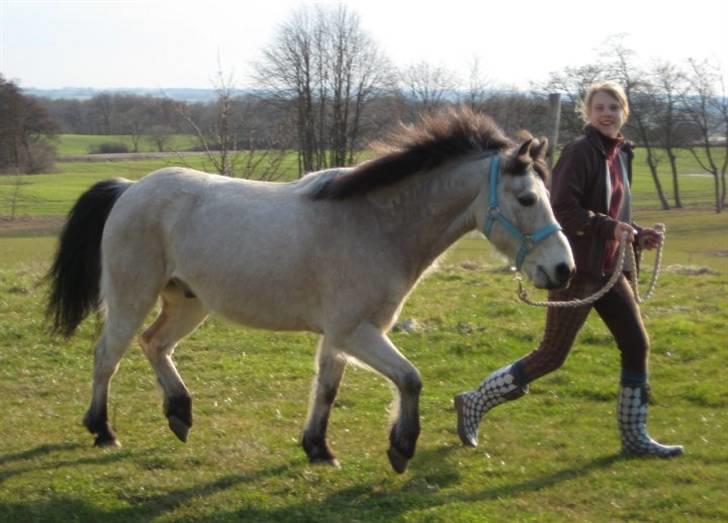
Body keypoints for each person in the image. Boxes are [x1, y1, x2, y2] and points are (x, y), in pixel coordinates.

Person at [454, 81, 683, 458]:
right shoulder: (580, 152)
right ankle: (475, 401)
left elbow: (613, 213)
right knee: (552, 355)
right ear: (588, 114)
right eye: (600, 107)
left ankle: (634, 438)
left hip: (610, 269)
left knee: (636, 343)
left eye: (614, 107)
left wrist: (637, 234)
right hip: (575, 269)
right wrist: (611, 228)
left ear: (624, 111)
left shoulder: (621, 153)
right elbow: (563, 210)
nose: (607, 113)